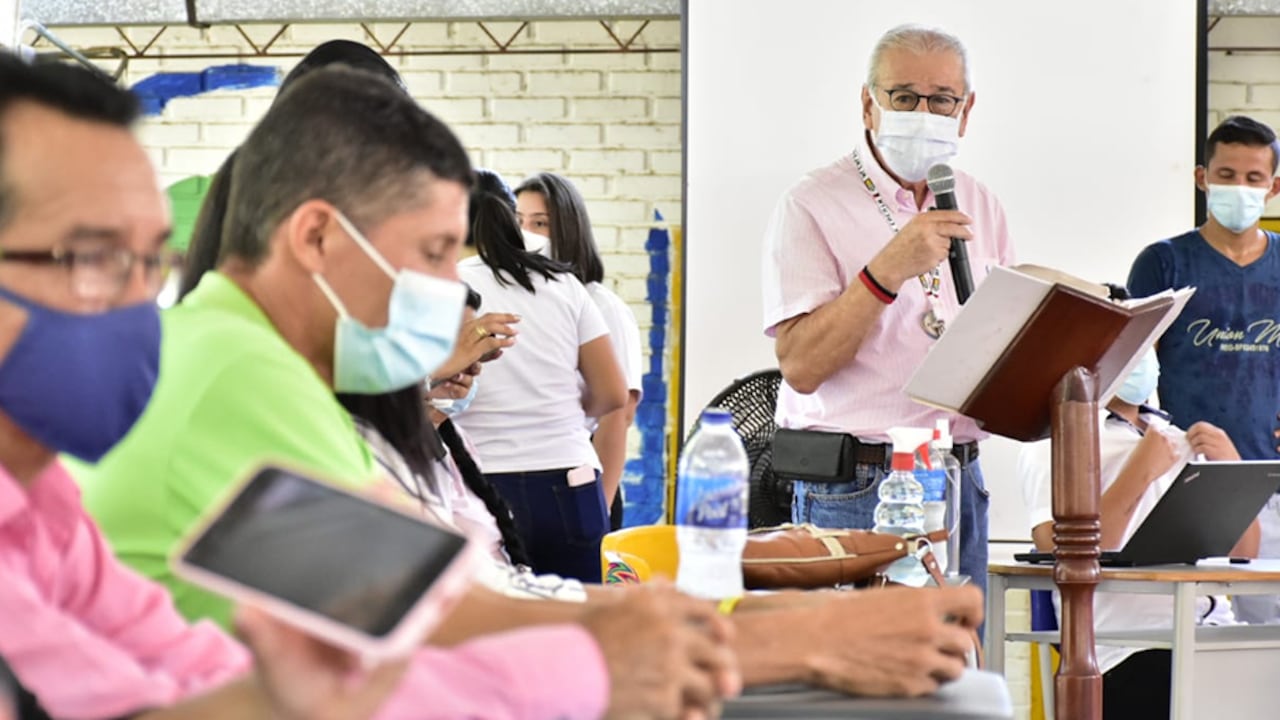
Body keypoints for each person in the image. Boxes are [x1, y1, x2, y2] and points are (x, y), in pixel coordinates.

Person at [71, 63, 738, 719]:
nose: (452, 286)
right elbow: (445, 623)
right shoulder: (238, 375)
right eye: (433, 252)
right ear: (317, 235)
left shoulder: (238, 357)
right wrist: (786, 638)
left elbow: (450, 597)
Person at [0, 51, 535, 720]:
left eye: (149, 263)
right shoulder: (234, 371)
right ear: (315, 232)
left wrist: (282, 701)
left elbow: (160, 683)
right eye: (95, 258)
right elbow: (423, 612)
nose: (138, 303)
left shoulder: (42, 506)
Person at [761, 23, 1014, 595]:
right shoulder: (812, 202)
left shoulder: (979, 202)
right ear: (868, 105)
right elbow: (800, 365)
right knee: (863, 672)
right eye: (903, 97)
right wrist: (883, 273)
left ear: (966, 110)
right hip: (859, 484)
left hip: (958, 472)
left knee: (954, 666)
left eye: (942, 99)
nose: (924, 113)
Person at [1018, 350, 1256, 717]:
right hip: (1124, 646)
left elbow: (1245, 552)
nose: (1142, 357)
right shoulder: (1057, 438)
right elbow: (1061, 550)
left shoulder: (1181, 438)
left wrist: (1232, 466)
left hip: (1208, 628)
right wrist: (1141, 471)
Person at [1126, 114, 1280, 623]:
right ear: (1202, 178)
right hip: (1180, 487)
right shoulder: (1164, 263)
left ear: (1273, 187)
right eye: (1227, 175)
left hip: (1269, 484)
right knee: (1185, 647)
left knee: (1268, 649)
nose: (1239, 187)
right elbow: (1132, 364)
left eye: (1253, 178)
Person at [454, 177, 628, 582]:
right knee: (576, 631)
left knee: (491, 634)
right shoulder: (563, 283)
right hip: (570, 483)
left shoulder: (451, 283)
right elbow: (613, 394)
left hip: (480, 485)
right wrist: (561, 411)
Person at [515, 171, 644, 530]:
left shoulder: (602, 306)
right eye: (518, 221)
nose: (526, 233)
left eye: (540, 223)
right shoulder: (521, 303)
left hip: (583, 481)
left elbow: (617, 416)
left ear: (568, 230)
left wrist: (597, 511)